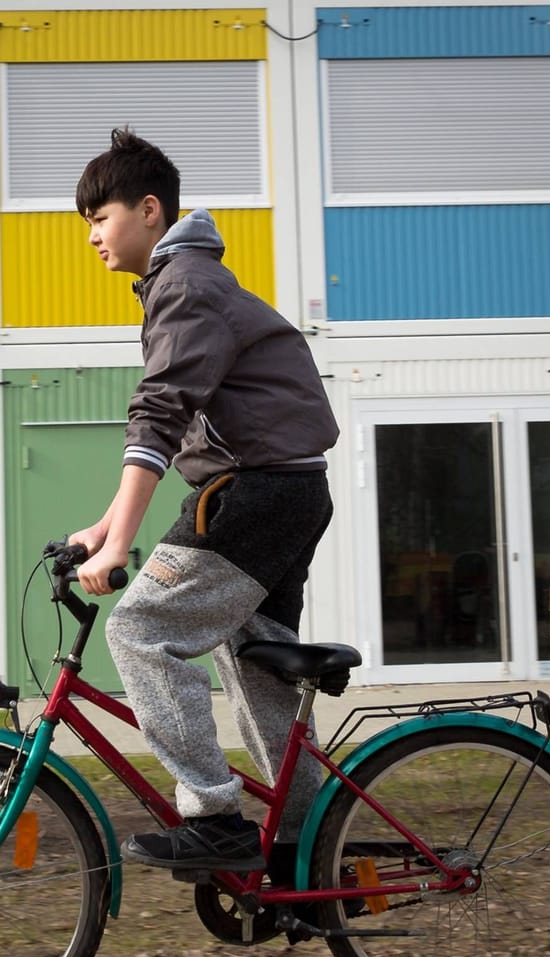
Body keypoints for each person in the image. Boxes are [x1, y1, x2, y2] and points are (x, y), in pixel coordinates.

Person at [67, 129, 340, 875]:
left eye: (99, 217)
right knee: (256, 667)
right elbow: (180, 425)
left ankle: (215, 815)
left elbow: (157, 415)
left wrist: (122, 546)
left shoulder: (186, 285)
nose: (91, 235)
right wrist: (106, 525)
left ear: (149, 210)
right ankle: (308, 844)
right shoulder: (183, 285)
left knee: (140, 632)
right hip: (279, 490)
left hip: (259, 493)